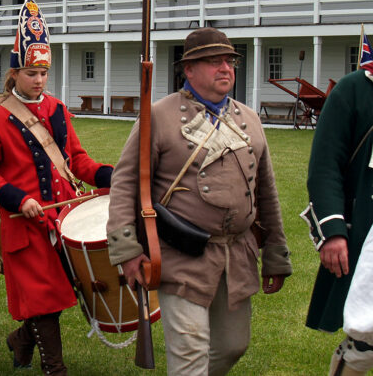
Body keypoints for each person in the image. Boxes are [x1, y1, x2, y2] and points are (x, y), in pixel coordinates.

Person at [106, 27, 293, 376]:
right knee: (190, 354)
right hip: (181, 257)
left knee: (233, 345)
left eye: (229, 61)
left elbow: (266, 191)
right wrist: (127, 251)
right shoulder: (159, 116)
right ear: (188, 70)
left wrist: (276, 255)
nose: (225, 68)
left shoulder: (248, 119)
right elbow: (126, 182)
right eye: (213, 62)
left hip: (236, 256)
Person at [0, 0, 113, 375]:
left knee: (58, 293)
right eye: (32, 72)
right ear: (15, 73)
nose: (39, 80)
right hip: (24, 222)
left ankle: (20, 341)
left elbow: (77, 161)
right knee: (42, 299)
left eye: (44, 73)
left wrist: (111, 177)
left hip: (63, 218)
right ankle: (55, 369)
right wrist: (19, 199)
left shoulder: (57, 110)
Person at [303, 62, 373, 376]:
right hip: (368, 232)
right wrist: (332, 231)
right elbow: (325, 166)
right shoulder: (354, 89)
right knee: (365, 341)